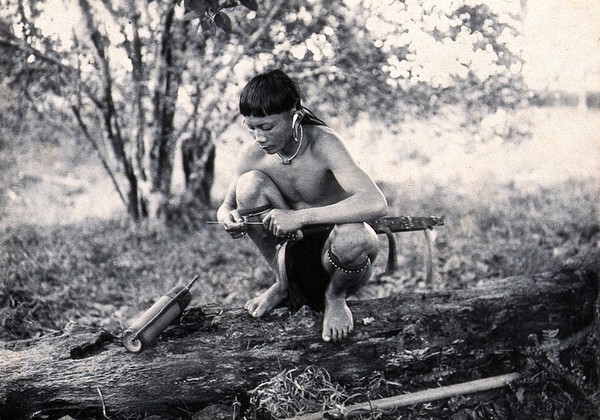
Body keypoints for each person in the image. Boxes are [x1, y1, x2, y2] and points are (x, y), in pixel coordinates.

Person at [216, 69, 387, 342]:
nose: (259, 137)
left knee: (355, 234)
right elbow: (226, 205)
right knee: (248, 185)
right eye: (252, 128)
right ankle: (283, 283)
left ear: (294, 116)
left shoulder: (324, 144)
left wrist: (301, 217)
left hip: (337, 256)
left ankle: (335, 298)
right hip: (288, 256)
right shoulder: (251, 155)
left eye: (267, 127)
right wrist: (228, 217)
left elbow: (376, 201)